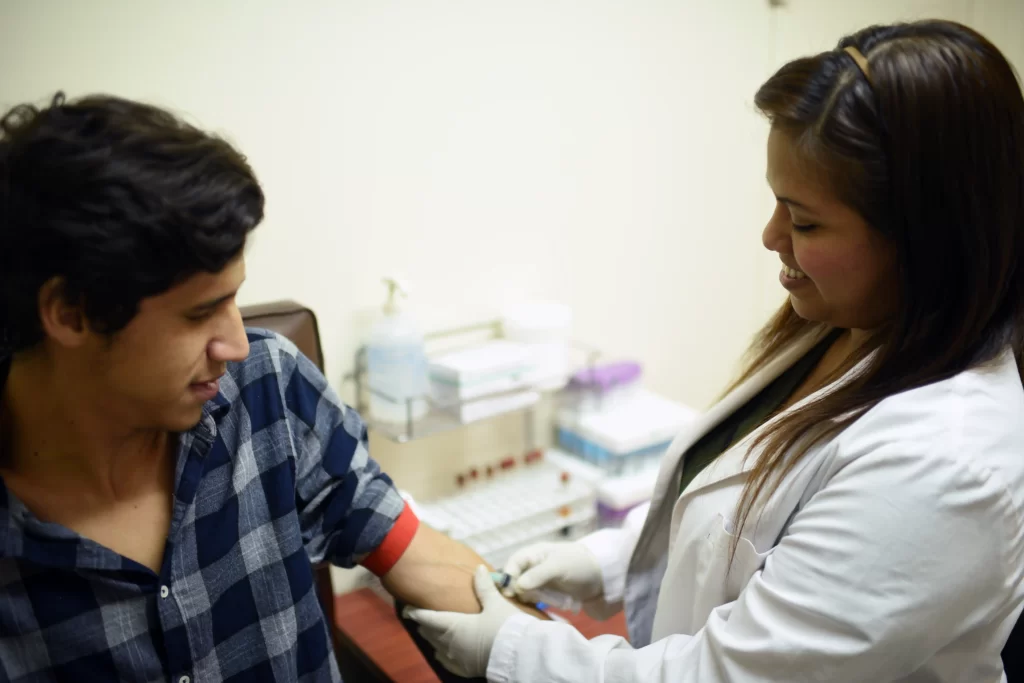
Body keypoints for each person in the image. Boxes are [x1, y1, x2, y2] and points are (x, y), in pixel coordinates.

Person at [404, 19, 1024, 682]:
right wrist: (606, 560)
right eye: (776, 203)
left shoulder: (945, 467)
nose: (769, 235)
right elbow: (747, 518)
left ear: (925, 237)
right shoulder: (848, 326)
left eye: (804, 219)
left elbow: (726, 674)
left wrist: (514, 653)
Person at [0, 93, 541, 682]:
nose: (235, 343)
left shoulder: (266, 391)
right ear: (72, 313)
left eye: (234, 298)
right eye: (198, 314)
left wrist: (553, 658)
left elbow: (418, 555)